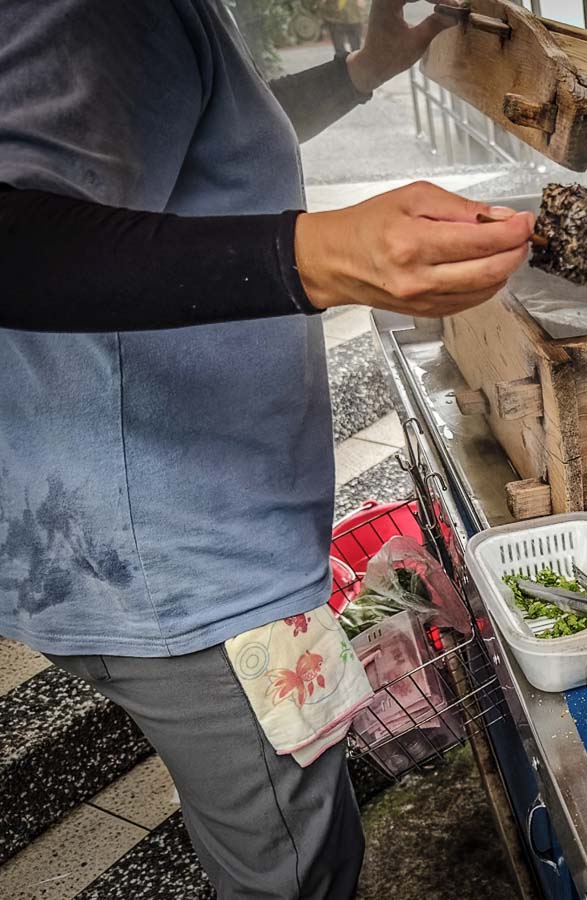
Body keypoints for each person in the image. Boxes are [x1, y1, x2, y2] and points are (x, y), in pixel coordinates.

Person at [0, 1, 534, 897]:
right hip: (186, 571)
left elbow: (202, 151)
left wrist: (360, 73)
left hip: (128, 539)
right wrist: (308, 256)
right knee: (293, 867)